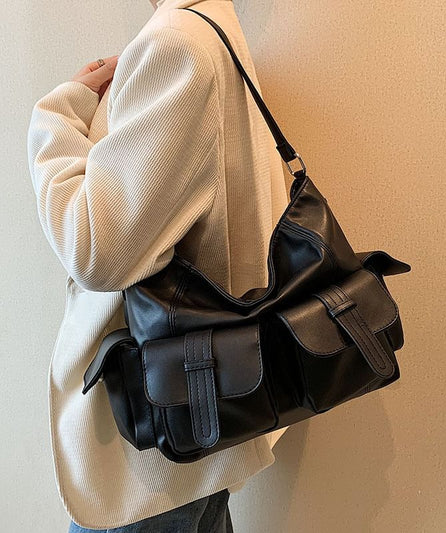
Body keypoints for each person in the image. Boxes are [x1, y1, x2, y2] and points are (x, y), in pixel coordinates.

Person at [26, 0, 290, 531]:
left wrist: (55, 117)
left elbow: (94, 252)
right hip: (202, 403)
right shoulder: (216, 25)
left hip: (154, 432)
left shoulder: (174, 43)